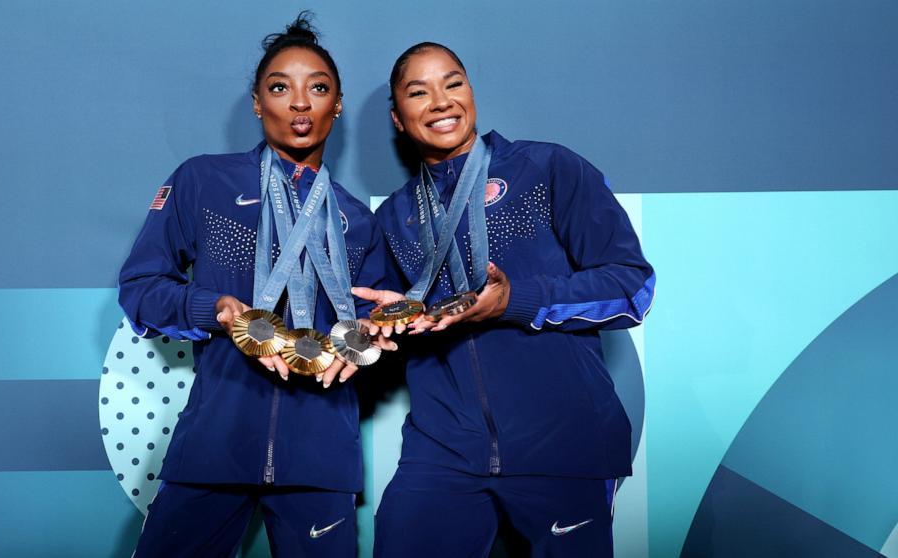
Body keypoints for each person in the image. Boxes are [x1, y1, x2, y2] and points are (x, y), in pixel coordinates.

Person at [354, 42, 655, 557]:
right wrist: (380, 322)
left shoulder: (548, 168)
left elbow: (631, 285)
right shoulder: (396, 216)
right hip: (444, 448)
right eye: (418, 92)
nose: (441, 101)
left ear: (470, 92)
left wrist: (517, 300)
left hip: (562, 443)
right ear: (398, 119)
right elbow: (386, 318)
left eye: (453, 83)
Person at [118, 13, 396, 557]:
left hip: (321, 458)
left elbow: (377, 327)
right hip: (213, 448)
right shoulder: (203, 180)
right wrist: (213, 308)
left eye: (317, 88)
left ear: (336, 104)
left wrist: (372, 337)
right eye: (279, 87)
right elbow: (141, 288)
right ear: (256, 101)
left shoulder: (357, 219)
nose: (299, 103)